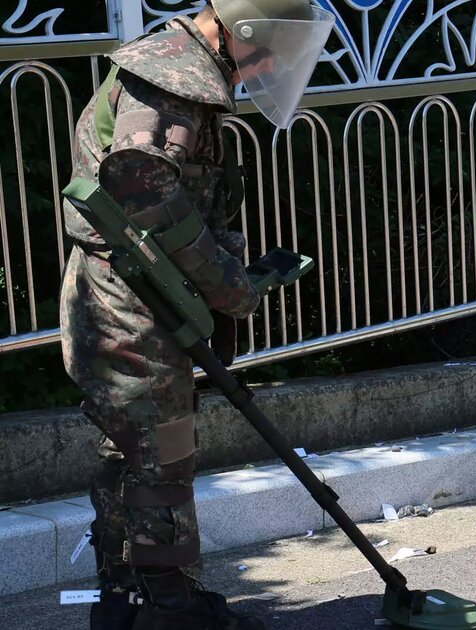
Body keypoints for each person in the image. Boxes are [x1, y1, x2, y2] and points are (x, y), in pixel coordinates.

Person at [60, 1, 333, 627]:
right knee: (161, 453)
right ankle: (170, 610)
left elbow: (174, 200)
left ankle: (127, 602)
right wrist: (228, 284)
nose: (267, 69)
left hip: (140, 294)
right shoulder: (169, 79)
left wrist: (224, 275)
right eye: (268, 52)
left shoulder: (185, 75)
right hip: (131, 302)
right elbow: (141, 187)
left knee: (131, 450)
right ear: (243, 31)